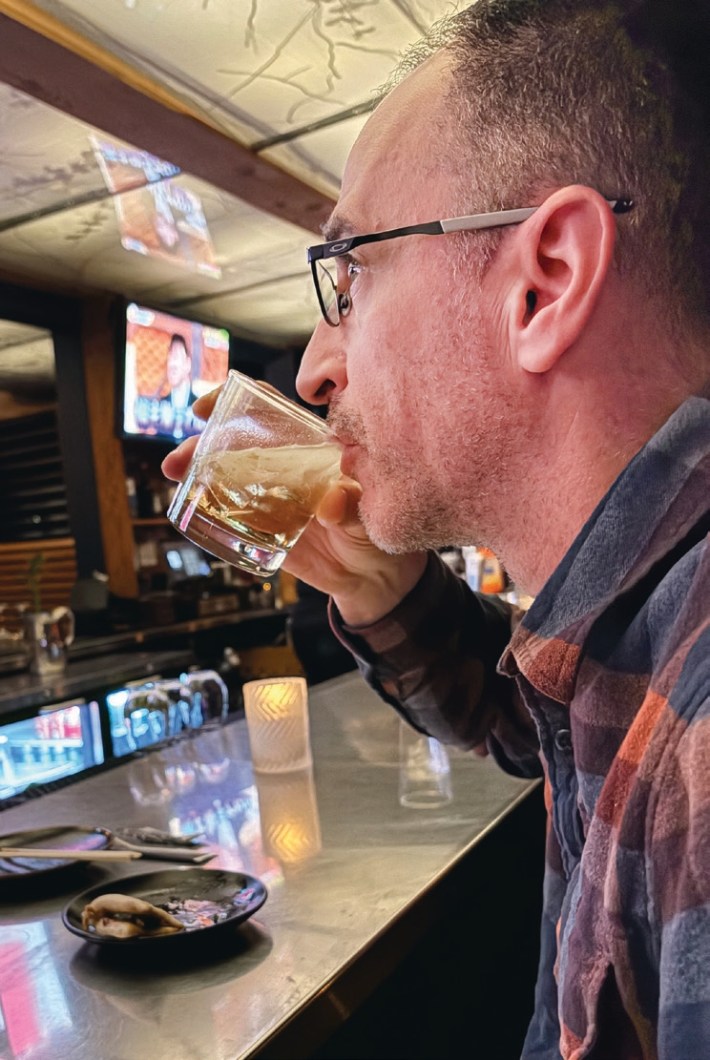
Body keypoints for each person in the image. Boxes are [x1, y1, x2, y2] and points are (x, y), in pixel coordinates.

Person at [163, 1, 710, 1056]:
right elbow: (552, 729)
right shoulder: (648, 632)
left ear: (545, 282)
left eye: (350, 273)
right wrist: (383, 592)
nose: (314, 370)